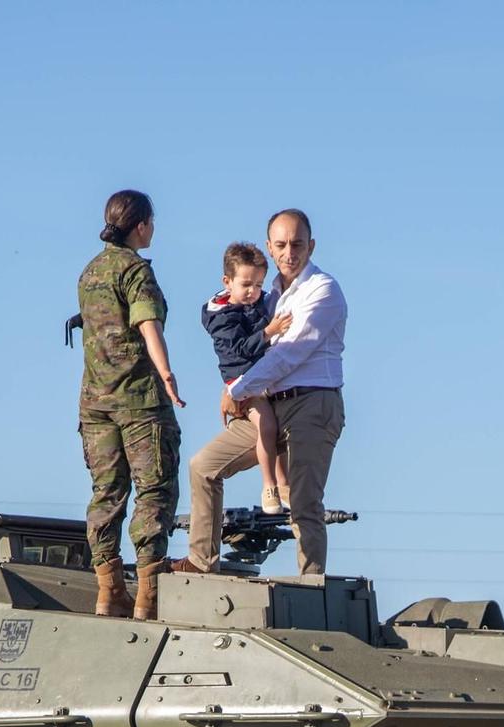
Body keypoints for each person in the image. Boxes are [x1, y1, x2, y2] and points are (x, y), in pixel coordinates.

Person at [175, 209, 346, 577]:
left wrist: (237, 389)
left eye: (297, 244)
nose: (289, 253)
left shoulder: (323, 290)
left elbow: (288, 354)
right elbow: (238, 339)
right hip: (267, 404)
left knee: (303, 504)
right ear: (269, 248)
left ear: (311, 245)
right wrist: (235, 386)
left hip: (312, 403)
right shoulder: (267, 296)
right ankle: (201, 563)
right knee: (203, 467)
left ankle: (311, 588)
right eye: (281, 245)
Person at [76, 189, 184, 618]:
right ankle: (147, 597)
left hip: (95, 403)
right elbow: (146, 323)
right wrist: (168, 374)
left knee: (106, 494)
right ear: (140, 226)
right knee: (154, 492)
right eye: (151, 222)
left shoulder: (89, 273)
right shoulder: (135, 270)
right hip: (139, 402)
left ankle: (108, 592)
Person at [200, 243, 293, 513]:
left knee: (279, 424)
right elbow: (238, 350)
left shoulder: (255, 302)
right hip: (242, 382)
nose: (253, 292)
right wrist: (268, 331)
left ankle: (283, 481)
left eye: (259, 284)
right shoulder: (223, 319)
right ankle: (269, 485)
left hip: (262, 375)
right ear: (227, 282)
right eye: (247, 285)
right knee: (266, 423)